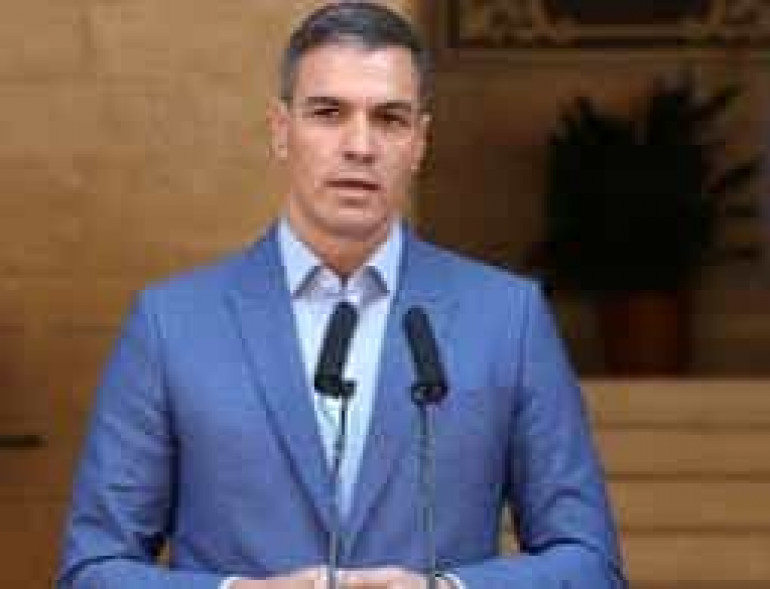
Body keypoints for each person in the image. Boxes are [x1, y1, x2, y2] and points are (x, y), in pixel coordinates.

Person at [58, 2, 626, 588]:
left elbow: (590, 564)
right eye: (328, 113)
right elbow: (92, 569)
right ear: (281, 130)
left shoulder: (507, 319)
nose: (360, 145)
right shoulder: (171, 324)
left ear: (420, 142)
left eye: (389, 119)